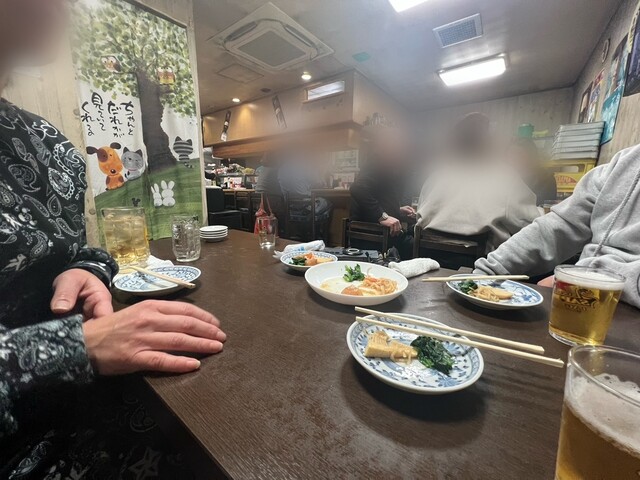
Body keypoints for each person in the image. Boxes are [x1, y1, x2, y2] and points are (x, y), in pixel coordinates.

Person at [0, 0, 226, 477]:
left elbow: (77, 250)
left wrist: (85, 268)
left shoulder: (46, 141)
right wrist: (73, 346)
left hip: (97, 407)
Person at [474, 143, 640, 309]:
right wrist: (489, 271)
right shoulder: (622, 164)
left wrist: (583, 280)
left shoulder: (540, 177)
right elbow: (561, 225)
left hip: (622, 306)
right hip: (579, 297)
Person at [416, 113, 541, 254]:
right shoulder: (505, 177)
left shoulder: (436, 175)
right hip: (482, 265)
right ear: (489, 143)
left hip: (427, 260)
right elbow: (530, 225)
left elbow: (419, 215)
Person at [349, 124, 415, 257]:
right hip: (372, 234)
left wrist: (397, 209)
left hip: (379, 232)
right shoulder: (376, 162)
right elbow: (358, 188)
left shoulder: (384, 164)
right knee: (417, 246)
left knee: (413, 240)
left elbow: (378, 195)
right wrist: (382, 216)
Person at [506, 137, 557, 206]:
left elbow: (539, 202)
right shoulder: (506, 178)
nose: (513, 159)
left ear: (531, 156)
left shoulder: (546, 179)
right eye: (511, 155)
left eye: (519, 154)